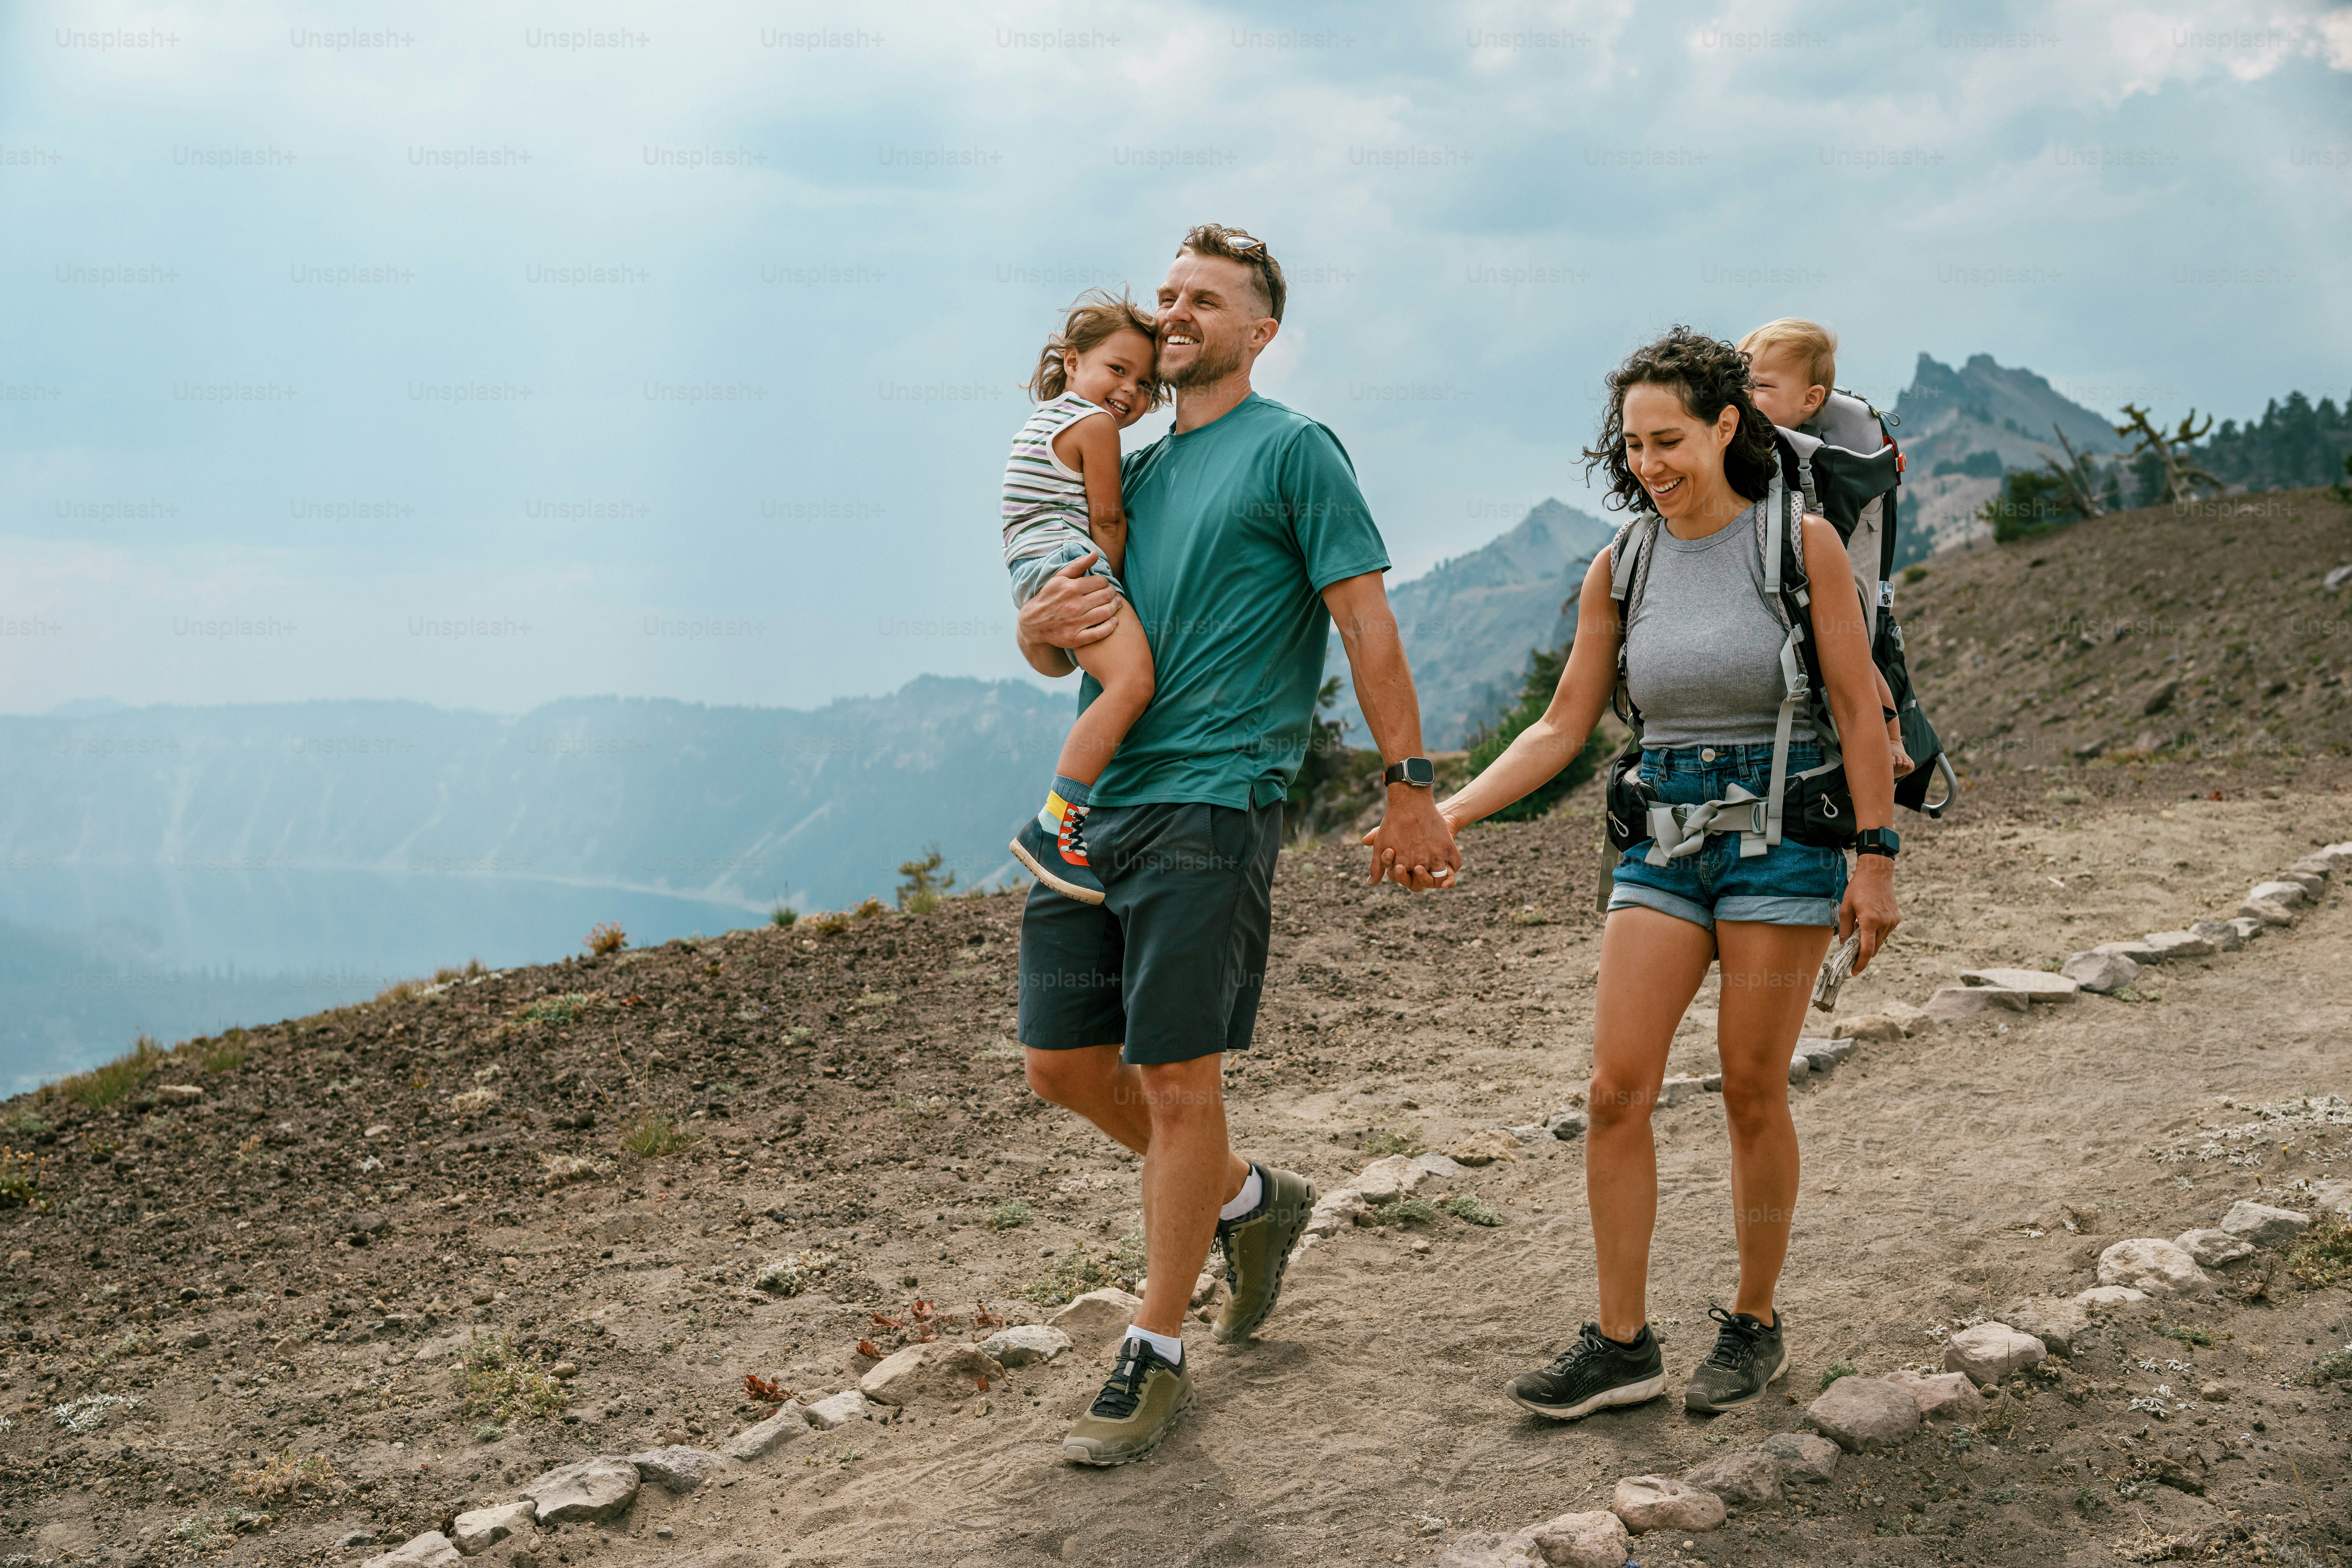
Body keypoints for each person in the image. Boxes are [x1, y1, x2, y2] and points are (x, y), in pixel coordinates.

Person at [1012, 223, 1459, 1466]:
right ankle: (1250, 1199)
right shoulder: (1131, 470)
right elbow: (1069, 636)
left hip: (1214, 800)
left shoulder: (1295, 450)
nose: (1173, 311)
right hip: (1099, 807)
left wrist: (1410, 783)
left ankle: (1153, 1350)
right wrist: (1036, 637)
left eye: (1202, 297)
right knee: (1059, 1064)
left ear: (1259, 330)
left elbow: (1365, 623)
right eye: (1164, 295)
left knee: (1174, 1080)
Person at [1435, 327, 1900, 1420]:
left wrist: (1874, 862)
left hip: (1787, 833)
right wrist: (1446, 812)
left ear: (1727, 426)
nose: (1649, 463)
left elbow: (1856, 708)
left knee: (1750, 1087)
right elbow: (1561, 727)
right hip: (1661, 836)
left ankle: (1754, 1320)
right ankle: (1621, 1341)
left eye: (1669, 440)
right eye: (1634, 445)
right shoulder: (1624, 561)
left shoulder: (1803, 544)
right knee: (1615, 1090)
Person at [1001, 291, 1166, 904]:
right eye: (1117, 369)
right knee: (1133, 683)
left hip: (1032, 566)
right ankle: (1055, 827)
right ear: (1072, 362)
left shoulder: (1040, 423)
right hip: (1068, 561)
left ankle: (1061, 826)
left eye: (1147, 383)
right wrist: (1116, 586)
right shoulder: (1093, 425)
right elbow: (1108, 521)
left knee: (1112, 677)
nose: (1130, 391)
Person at [1739, 318, 1912, 774]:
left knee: (1850, 647)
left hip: (1828, 583)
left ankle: (1892, 737)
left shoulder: (1808, 458)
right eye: (1740, 382)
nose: (1744, 396)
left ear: (1810, 401)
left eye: (1760, 386)